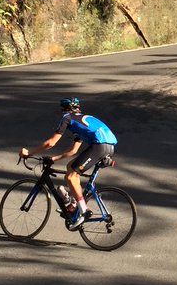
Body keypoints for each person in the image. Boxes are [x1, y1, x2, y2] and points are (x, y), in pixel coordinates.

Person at [20, 97, 117, 228]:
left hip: (99, 146)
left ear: (65, 109)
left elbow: (51, 143)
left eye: (62, 110)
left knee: (71, 176)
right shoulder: (80, 123)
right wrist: (53, 159)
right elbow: (73, 151)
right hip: (108, 147)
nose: (61, 112)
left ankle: (84, 211)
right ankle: (73, 202)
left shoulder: (67, 118)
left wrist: (29, 153)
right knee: (70, 167)